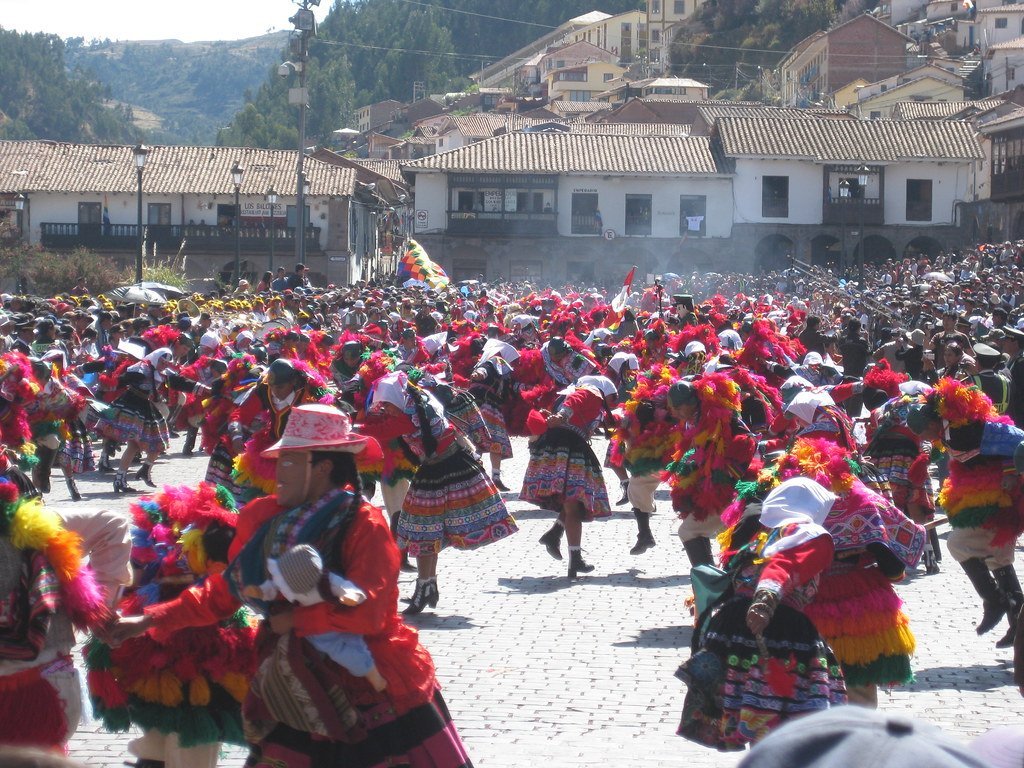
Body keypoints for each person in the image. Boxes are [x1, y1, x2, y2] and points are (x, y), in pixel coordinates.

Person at [107, 403, 474, 768]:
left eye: (289, 461)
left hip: (371, 688)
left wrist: (295, 621)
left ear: (322, 467)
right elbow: (225, 591)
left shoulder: (363, 524)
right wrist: (148, 620)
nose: (276, 470)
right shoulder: (270, 521)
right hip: (294, 684)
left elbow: (370, 612)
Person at [676, 477, 847, 750]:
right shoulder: (812, 536)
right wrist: (766, 599)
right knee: (776, 715)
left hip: (732, 628)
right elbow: (784, 566)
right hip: (778, 629)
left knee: (750, 708)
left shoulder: (765, 533)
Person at [242, 542, 388, 693]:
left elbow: (345, 588)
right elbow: (274, 587)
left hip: (332, 622)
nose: (282, 585)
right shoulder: (288, 577)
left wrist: (350, 596)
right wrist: (260, 592)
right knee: (327, 652)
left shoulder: (325, 581)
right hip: (317, 625)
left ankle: (371, 673)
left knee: (348, 651)